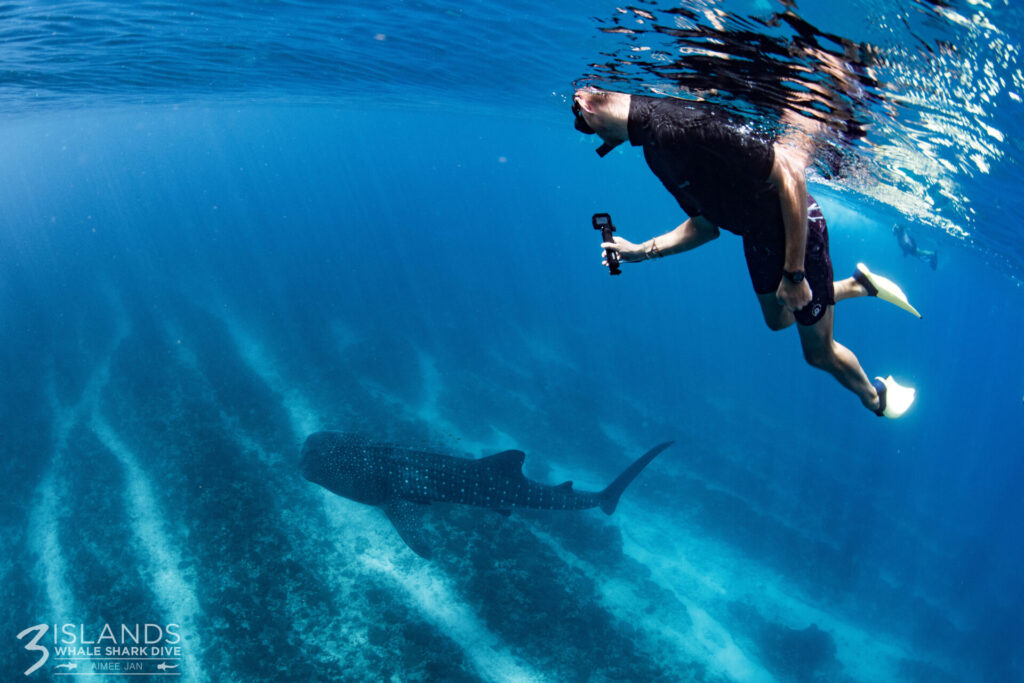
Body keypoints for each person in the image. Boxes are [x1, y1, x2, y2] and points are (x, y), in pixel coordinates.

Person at [572, 87, 921, 418]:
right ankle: (859, 286)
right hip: (757, 236)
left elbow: (791, 173)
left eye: (583, 125)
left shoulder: (680, 124)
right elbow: (705, 227)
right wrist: (640, 251)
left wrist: (794, 275)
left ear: (587, 104)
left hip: (794, 229)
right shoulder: (655, 147)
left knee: (817, 353)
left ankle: (877, 399)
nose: (597, 141)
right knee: (778, 320)